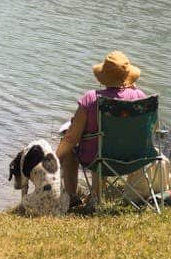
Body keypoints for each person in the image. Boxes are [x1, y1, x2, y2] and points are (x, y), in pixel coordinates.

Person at [57, 51, 147, 201]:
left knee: (70, 148)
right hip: (132, 158)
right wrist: (133, 90)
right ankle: (97, 193)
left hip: (98, 160)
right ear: (127, 76)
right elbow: (151, 129)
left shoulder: (91, 98)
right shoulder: (139, 97)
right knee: (106, 142)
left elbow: (71, 138)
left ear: (104, 77)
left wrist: (52, 160)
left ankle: (72, 198)